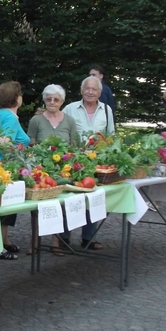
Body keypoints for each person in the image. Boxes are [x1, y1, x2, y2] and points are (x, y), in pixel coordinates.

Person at [62, 75, 115, 250]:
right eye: (87, 88)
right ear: (81, 90)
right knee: (70, 199)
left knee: (94, 199)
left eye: (94, 89)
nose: (90, 92)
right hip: (75, 160)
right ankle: (63, 238)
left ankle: (88, 237)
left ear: (100, 92)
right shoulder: (70, 108)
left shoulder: (106, 110)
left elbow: (110, 135)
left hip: (98, 162)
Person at [27, 84, 78, 256]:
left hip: (63, 171)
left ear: (62, 101)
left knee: (60, 205)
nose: (52, 102)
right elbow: (31, 143)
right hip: (41, 170)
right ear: (44, 100)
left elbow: (74, 146)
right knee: (37, 207)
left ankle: (56, 242)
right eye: (48, 99)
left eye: (56, 99)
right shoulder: (36, 121)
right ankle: (35, 242)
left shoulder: (69, 120)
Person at [0, 81, 31, 261]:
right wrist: (16, 157)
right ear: (17, 98)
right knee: (4, 207)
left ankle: (4, 240)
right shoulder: (9, 117)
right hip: (3, 167)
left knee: (5, 207)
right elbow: (3, 142)